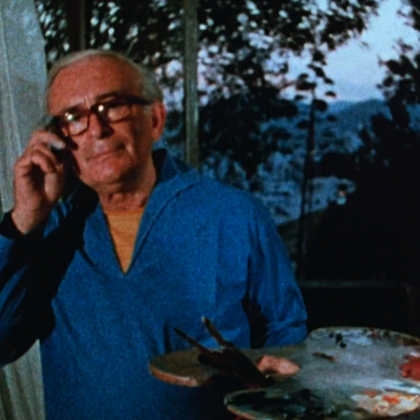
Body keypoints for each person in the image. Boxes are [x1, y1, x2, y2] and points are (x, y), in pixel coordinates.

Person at [0, 49, 307, 420]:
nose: (96, 130)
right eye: (73, 118)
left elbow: (286, 335)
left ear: (156, 120)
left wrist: (270, 400)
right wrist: (22, 221)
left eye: (112, 106)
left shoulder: (234, 215)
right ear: (58, 140)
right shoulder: (48, 231)